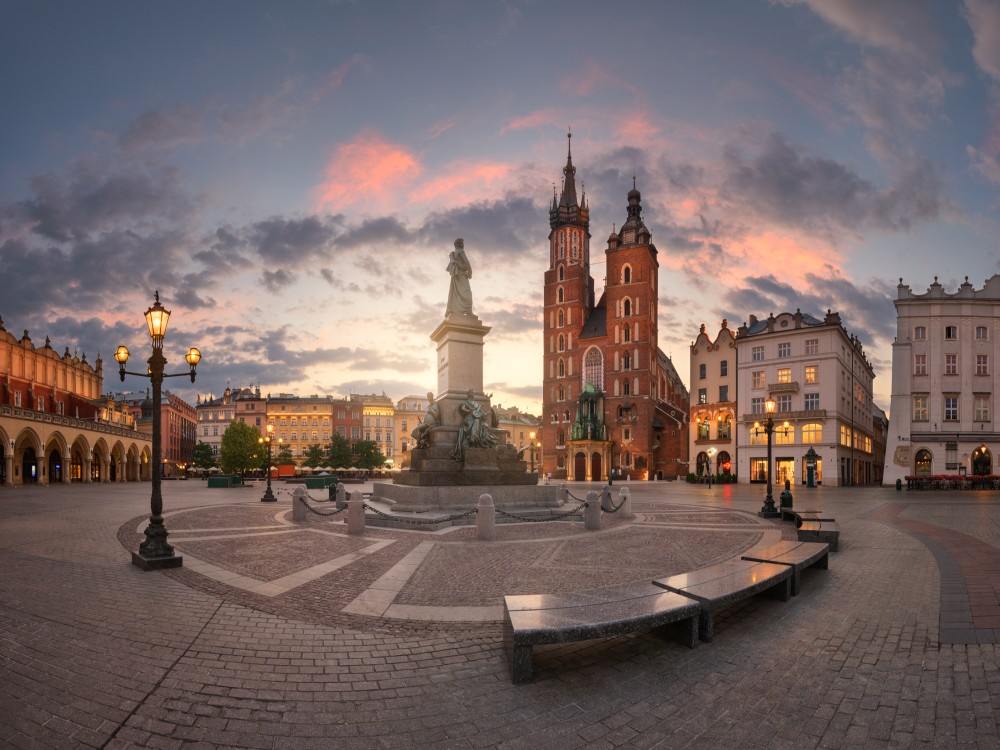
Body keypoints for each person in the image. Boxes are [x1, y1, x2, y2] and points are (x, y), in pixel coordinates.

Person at [452, 389, 496, 461]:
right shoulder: (467, 402)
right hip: (469, 418)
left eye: (473, 393)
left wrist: (484, 414)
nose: (473, 394)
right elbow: (462, 408)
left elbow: (479, 413)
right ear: (469, 394)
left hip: (476, 418)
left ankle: (475, 438)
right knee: (476, 422)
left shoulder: (476, 403)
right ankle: (472, 437)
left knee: (482, 424)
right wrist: (468, 410)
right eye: (472, 393)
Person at [446, 238, 473, 316]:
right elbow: (466, 261)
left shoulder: (454, 254)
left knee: (456, 294)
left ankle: (457, 310)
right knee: (467, 293)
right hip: (462, 275)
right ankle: (468, 311)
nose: (463, 244)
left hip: (456, 276)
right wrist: (470, 271)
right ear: (459, 244)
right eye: (462, 243)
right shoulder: (461, 251)